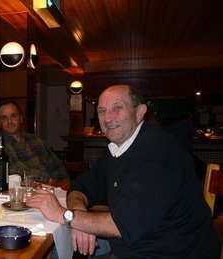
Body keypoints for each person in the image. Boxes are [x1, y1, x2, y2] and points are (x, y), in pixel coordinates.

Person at [65, 84, 221, 257]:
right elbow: (80, 186)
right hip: (135, 248)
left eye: (117, 108)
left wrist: (67, 216)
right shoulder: (116, 150)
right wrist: (79, 218)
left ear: (139, 112)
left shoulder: (158, 151)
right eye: (102, 111)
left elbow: (121, 225)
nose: (108, 118)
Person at [0, 99, 68, 182]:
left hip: (52, 188)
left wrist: (65, 186)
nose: (9, 121)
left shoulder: (36, 140)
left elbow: (56, 166)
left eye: (13, 116)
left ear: (21, 118)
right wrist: (47, 179)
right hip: (25, 190)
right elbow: (14, 171)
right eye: (4, 118)